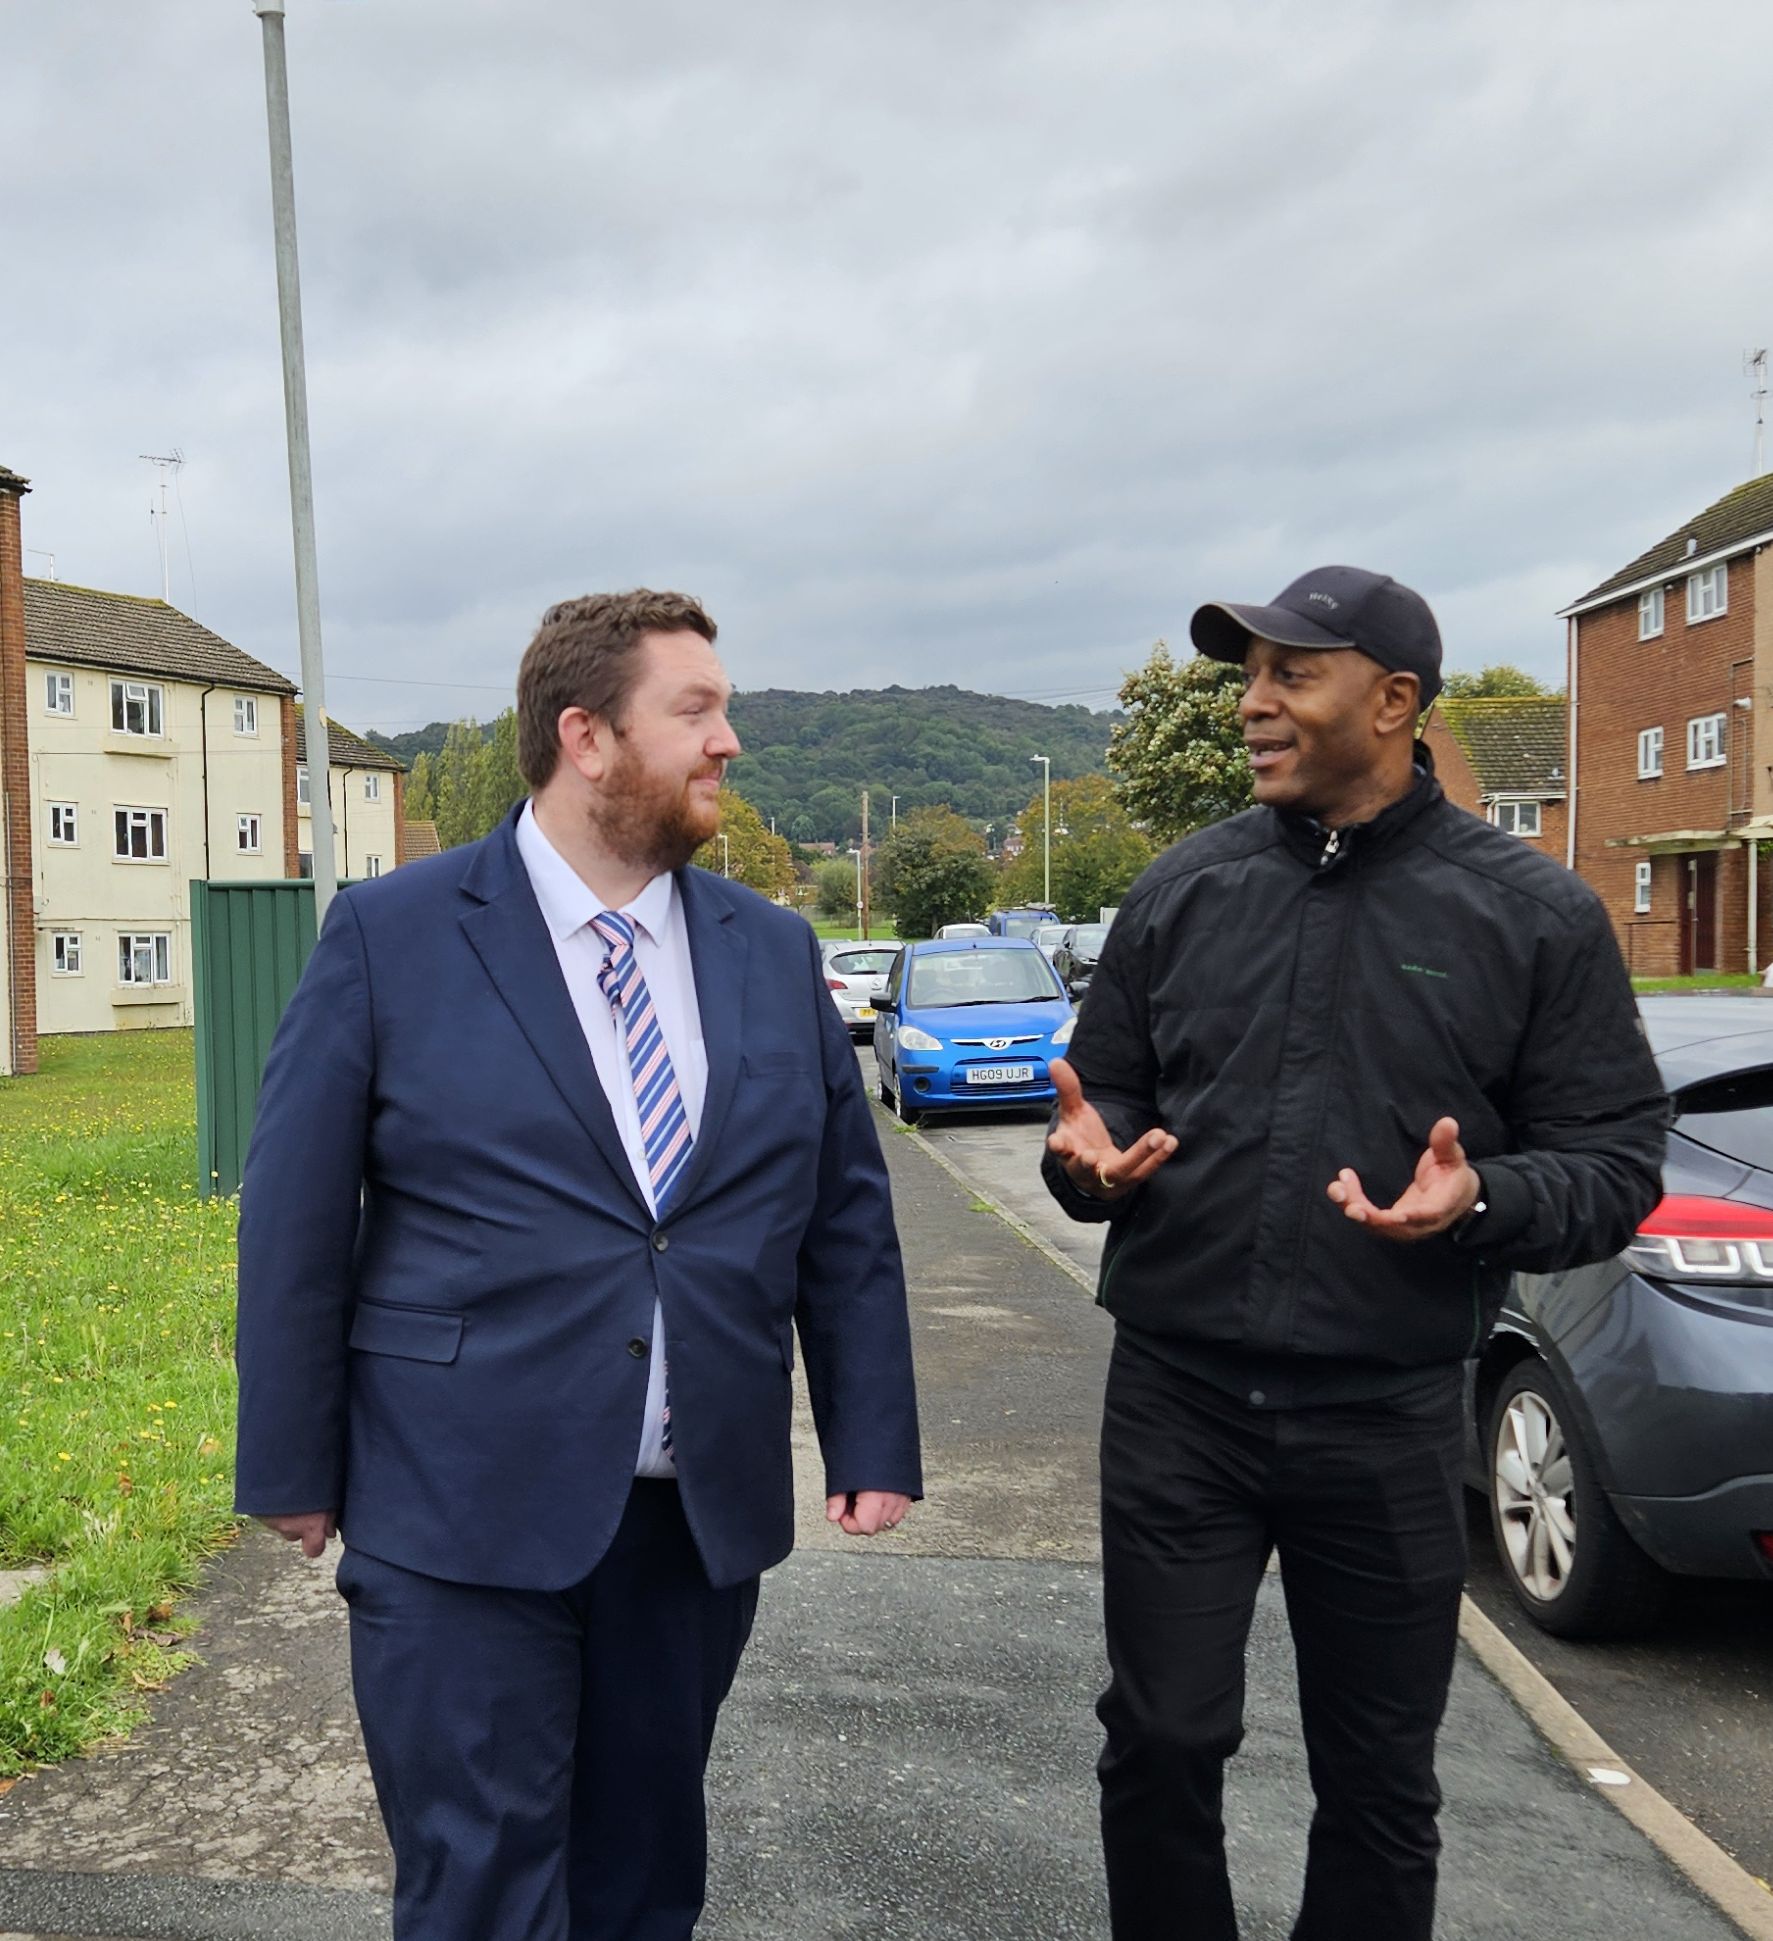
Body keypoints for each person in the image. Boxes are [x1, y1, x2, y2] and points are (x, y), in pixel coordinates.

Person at [234, 590, 922, 1941]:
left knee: (645, 1876)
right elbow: (298, 1218)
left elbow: (841, 1216)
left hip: (688, 1512)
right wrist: (292, 1465)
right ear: (585, 736)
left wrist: (871, 1432)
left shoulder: (769, 952)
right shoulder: (396, 933)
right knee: (484, 1880)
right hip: (457, 1507)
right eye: (696, 709)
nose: (728, 740)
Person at [1042, 565, 1667, 1940]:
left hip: (1383, 1410)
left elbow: (1618, 1160)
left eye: (1288, 674)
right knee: (1157, 1737)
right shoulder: (1182, 889)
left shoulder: (1531, 915)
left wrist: (1482, 1197)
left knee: (1379, 1780)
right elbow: (1104, 1102)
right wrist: (1085, 1163)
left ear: (1391, 702)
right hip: (1178, 1401)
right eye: (1246, 675)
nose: (1252, 704)